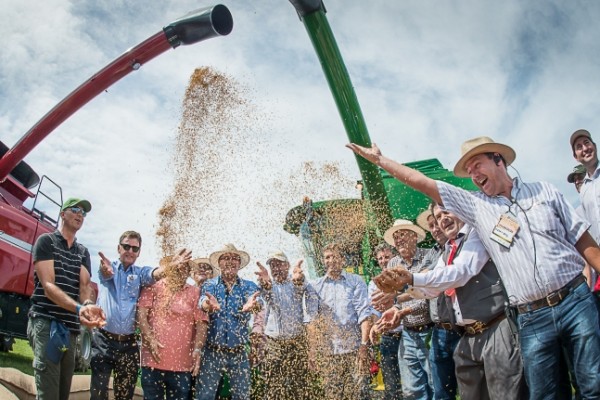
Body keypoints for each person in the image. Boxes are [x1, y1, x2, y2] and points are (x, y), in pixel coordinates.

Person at [347, 136, 600, 398]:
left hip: (574, 300)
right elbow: (423, 183)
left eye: (476, 164)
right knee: (546, 395)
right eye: (468, 171)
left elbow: (581, 238)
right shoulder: (479, 207)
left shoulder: (545, 191)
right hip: (531, 317)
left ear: (498, 159)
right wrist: (380, 161)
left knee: (593, 385)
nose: (473, 174)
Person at [409, 205, 527, 400]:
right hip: (467, 336)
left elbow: (461, 272)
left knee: (506, 394)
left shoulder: (476, 233)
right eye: (438, 217)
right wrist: (401, 286)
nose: (442, 219)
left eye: (446, 212)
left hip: (495, 328)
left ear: (460, 210)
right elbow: (433, 287)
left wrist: (410, 279)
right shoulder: (448, 249)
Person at [90, 231, 192, 400]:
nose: (130, 251)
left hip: (128, 344)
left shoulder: (140, 274)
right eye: (126, 247)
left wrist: (171, 266)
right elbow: (104, 273)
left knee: (125, 394)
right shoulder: (109, 268)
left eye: (135, 248)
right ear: (118, 248)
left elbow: (156, 274)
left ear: (139, 252)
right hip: (104, 340)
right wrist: (105, 270)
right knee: (98, 391)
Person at [28, 197, 106, 400]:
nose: (80, 214)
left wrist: (88, 304)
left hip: (70, 329)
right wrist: (79, 309)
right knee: (48, 392)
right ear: (63, 214)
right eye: (75, 209)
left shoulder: (82, 252)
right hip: (47, 322)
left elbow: (85, 286)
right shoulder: (46, 241)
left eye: (84, 212)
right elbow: (48, 286)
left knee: (63, 393)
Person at [305, 243, 374, 400]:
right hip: (329, 352)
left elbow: (364, 314)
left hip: (354, 350)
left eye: (335, 256)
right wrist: (313, 351)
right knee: (334, 395)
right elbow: (312, 321)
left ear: (343, 260)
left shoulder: (356, 281)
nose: (331, 260)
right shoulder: (315, 286)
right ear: (323, 261)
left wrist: (364, 346)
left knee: (359, 394)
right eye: (327, 257)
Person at [196, 244, 263, 400]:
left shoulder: (249, 286)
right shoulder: (210, 285)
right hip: (213, 351)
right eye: (226, 258)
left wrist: (254, 305)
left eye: (235, 258)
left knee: (242, 396)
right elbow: (203, 302)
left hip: (239, 352)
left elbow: (258, 301)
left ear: (239, 264)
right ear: (219, 263)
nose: (230, 262)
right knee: (205, 395)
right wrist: (208, 305)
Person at [138, 255, 208, 399]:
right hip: (152, 362)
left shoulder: (195, 292)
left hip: (182, 367)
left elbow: (201, 324)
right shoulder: (152, 287)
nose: (180, 270)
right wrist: (150, 339)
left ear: (189, 272)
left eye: (184, 268)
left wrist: (197, 349)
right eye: (177, 266)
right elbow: (141, 315)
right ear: (169, 268)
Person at [384, 219, 435, 400]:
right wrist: (393, 309)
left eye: (402, 235)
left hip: (430, 331)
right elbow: (394, 298)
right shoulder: (392, 264)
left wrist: (402, 310)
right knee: (412, 391)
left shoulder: (429, 257)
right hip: (407, 333)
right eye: (395, 237)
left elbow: (427, 295)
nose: (398, 241)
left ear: (414, 236)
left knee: (435, 385)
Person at [254, 250, 311, 400]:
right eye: (273, 265)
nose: (276, 268)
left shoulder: (295, 282)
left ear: (287, 265)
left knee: (299, 385)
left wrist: (300, 277)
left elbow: (301, 283)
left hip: (297, 342)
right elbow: (265, 294)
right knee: (273, 386)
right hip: (274, 344)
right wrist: (266, 285)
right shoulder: (267, 285)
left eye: (279, 264)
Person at [416, 207, 459, 400]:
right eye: (431, 225)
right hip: (439, 330)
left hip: (461, 329)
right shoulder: (433, 252)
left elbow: (428, 278)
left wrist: (402, 287)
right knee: (441, 391)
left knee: (470, 387)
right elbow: (422, 282)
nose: (434, 229)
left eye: (437, 223)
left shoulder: (459, 246)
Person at [368, 243, 403, 400]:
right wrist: (375, 326)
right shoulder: (373, 283)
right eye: (380, 258)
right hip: (388, 336)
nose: (383, 261)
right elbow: (375, 309)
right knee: (391, 382)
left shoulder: (403, 275)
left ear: (394, 257)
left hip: (406, 333)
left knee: (411, 380)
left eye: (386, 257)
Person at [571, 129, 600, 296]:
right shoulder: (585, 191)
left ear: (594, 146)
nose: (584, 148)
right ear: (576, 156)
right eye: (579, 147)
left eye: (587, 143)